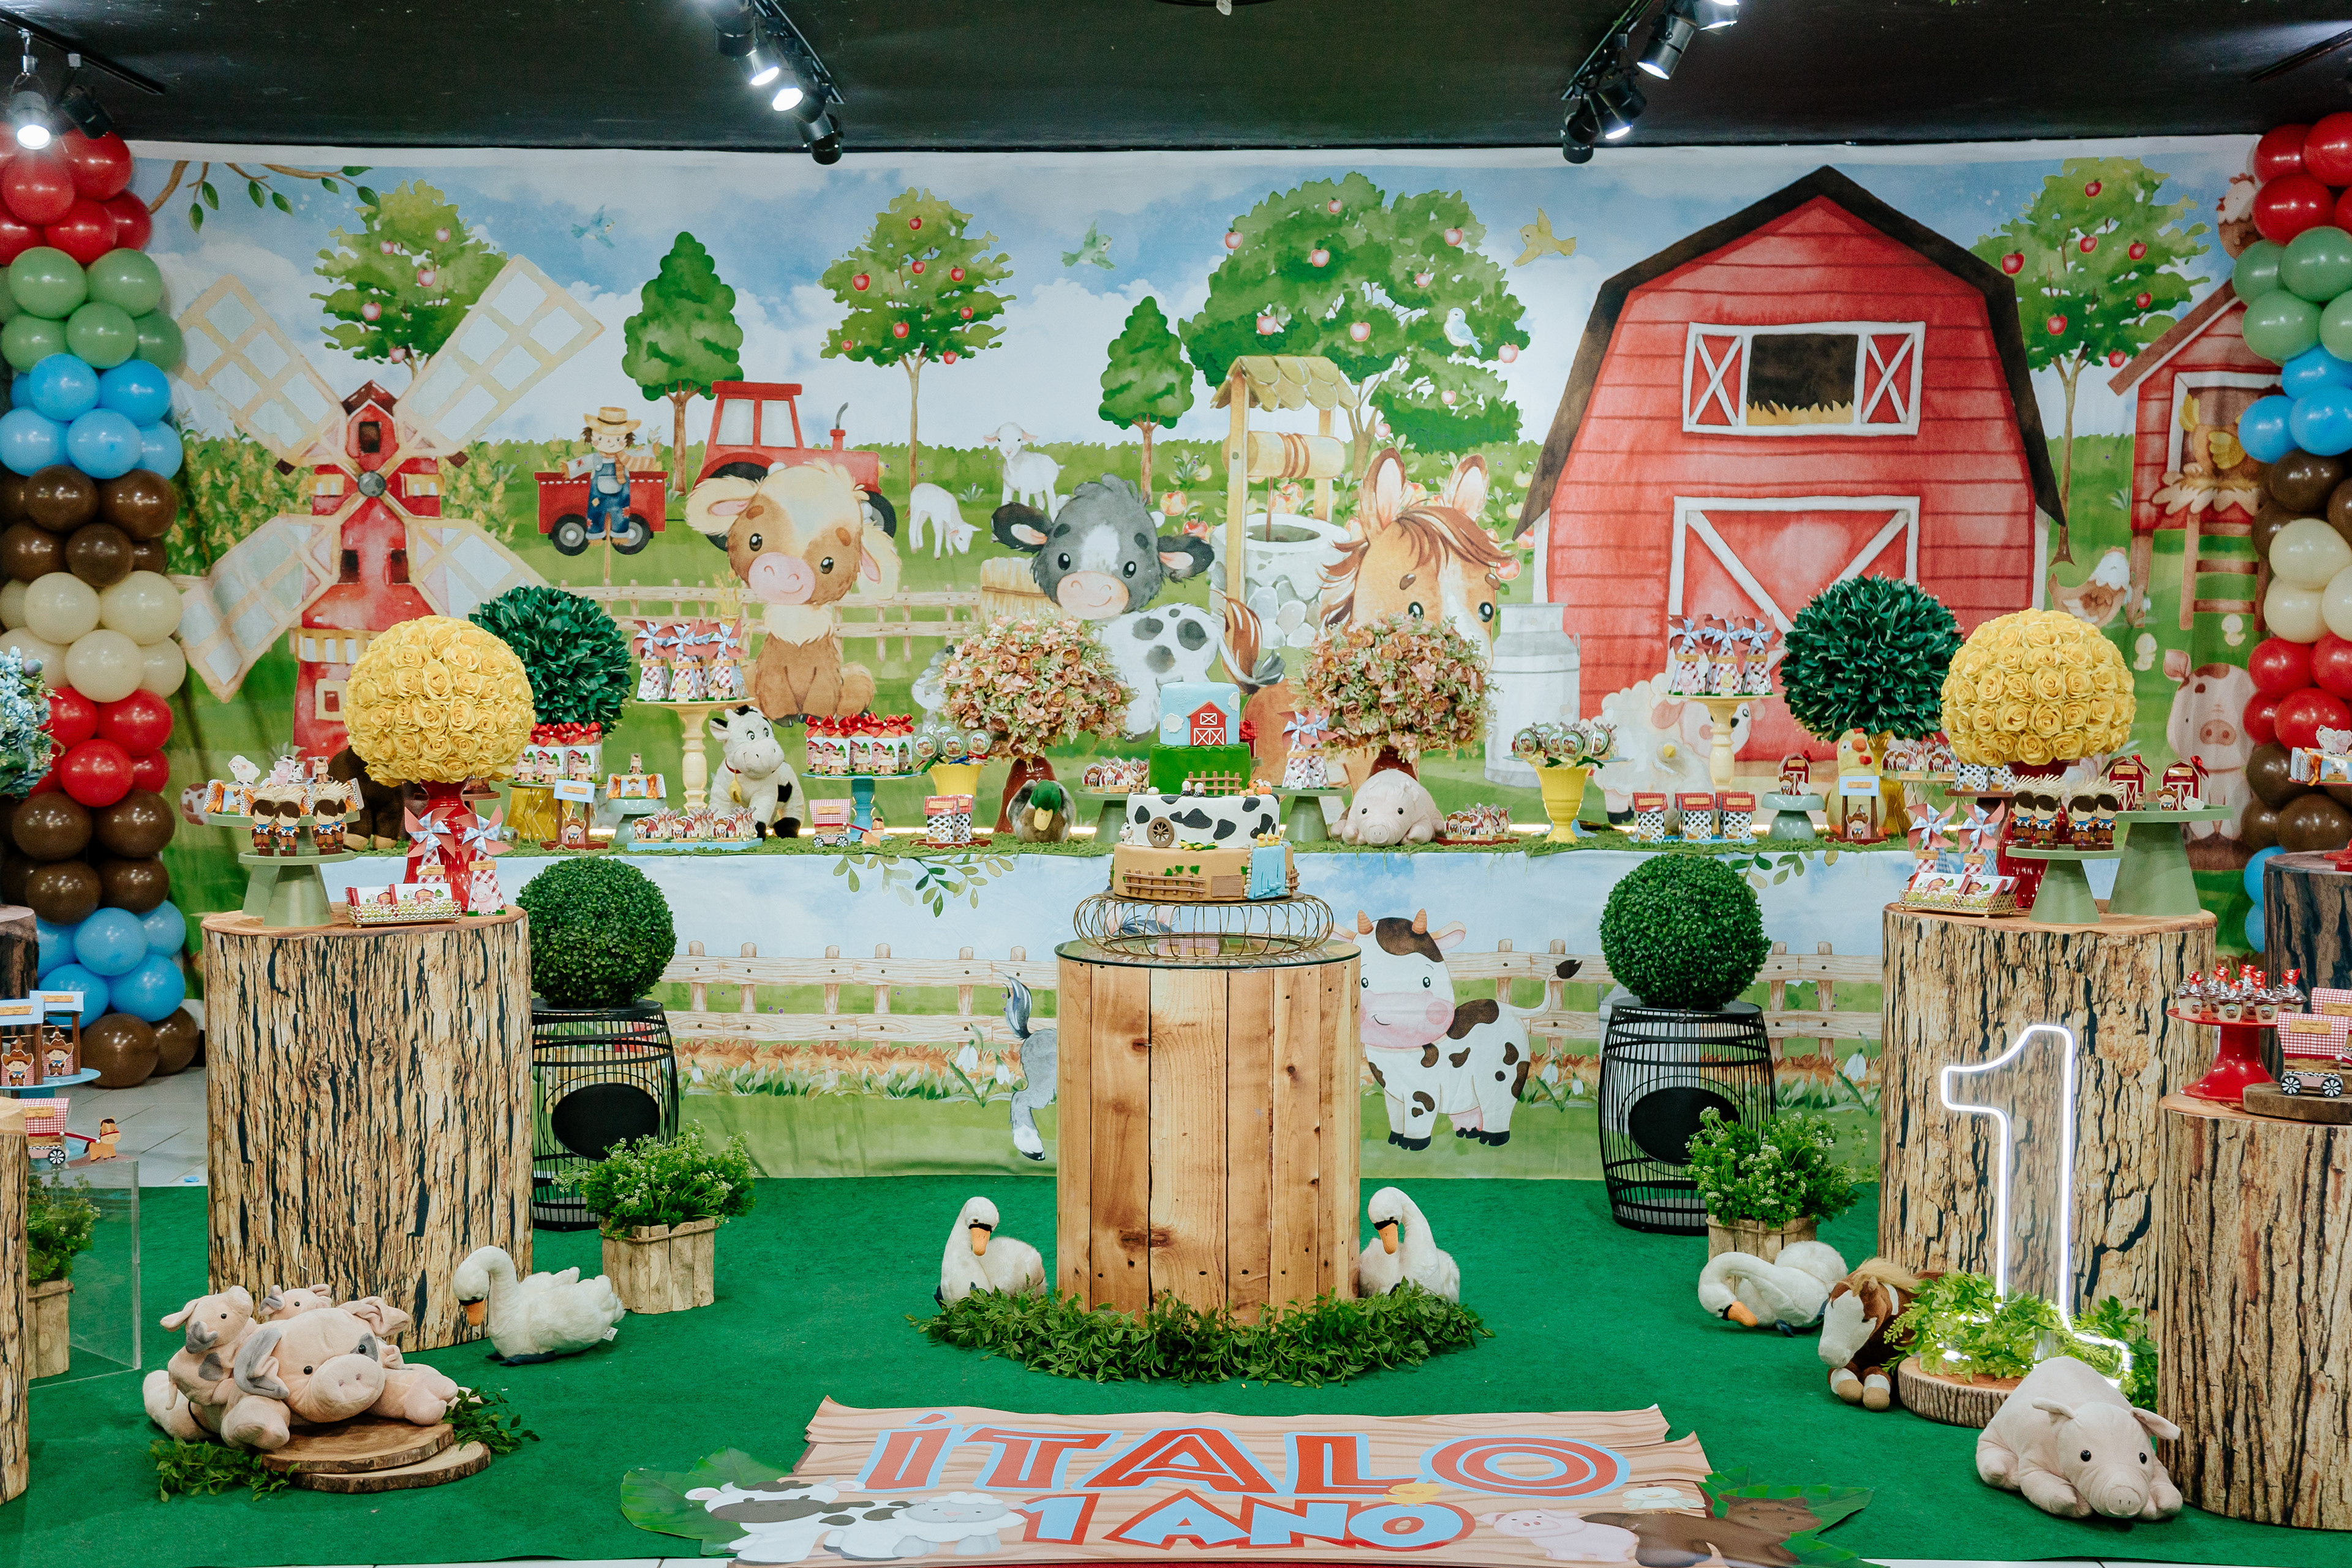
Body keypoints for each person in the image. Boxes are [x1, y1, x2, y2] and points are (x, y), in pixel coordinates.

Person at [567, 407, 643, 542]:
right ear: (592, 437)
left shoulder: (626, 458)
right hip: (597, 499)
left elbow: (640, 456)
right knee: (595, 513)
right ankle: (595, 535)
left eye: (617, 438)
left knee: (621, 514)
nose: (609, 442)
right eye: (601, 437)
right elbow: (581, 463)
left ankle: (620, 535)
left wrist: (652, 451)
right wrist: (569, 469)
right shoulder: (595, 458)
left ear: (627, 439)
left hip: (620, 499)